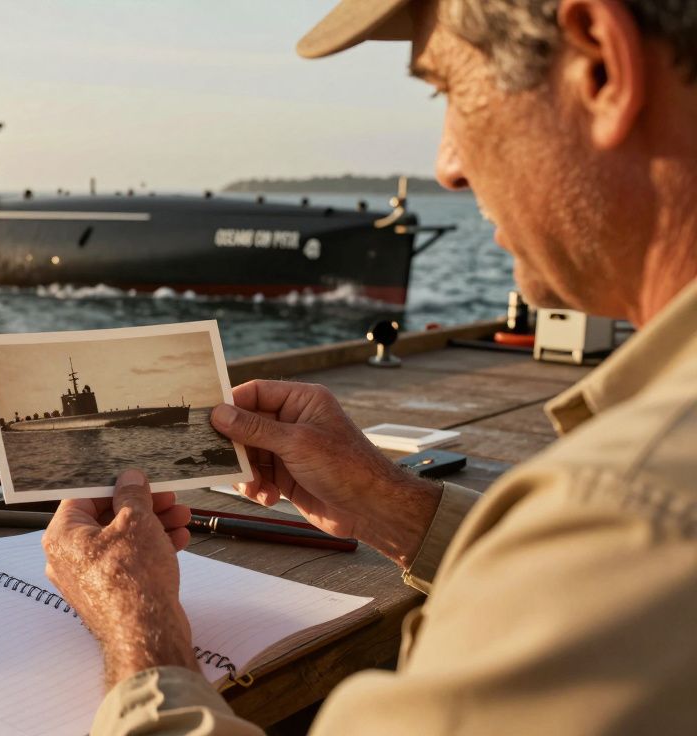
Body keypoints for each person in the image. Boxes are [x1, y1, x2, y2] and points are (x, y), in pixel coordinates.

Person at [42, 0, 697, 733]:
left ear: (601, 65)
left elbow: (620, 552)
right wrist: (391, 503)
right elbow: (598, 597)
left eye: (447, 87)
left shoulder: (632, 508)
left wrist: (140, 631)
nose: (446, 165)